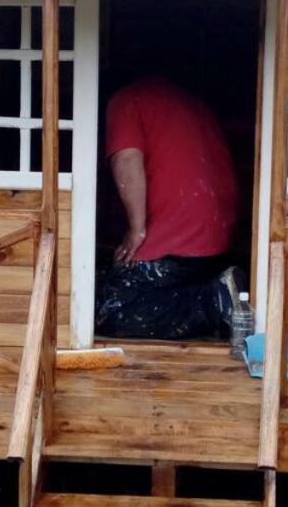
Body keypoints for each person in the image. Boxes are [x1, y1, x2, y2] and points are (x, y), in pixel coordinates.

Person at [94, 75, 243, 340]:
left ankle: (216, 301)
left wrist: (136, 229)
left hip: (181, 235)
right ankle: (215, 287)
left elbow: (126, 159)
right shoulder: (191, 102)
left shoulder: (127, 99)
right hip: (217, 236)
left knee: (112, 312)